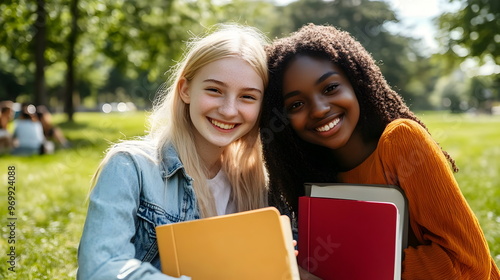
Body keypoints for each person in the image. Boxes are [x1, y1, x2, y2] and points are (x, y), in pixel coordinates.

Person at [260, 23, 500, 279]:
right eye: (296, 104)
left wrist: (357, 262)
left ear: (356, 83)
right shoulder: (311, 172)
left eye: (330, 88)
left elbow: (468, 264)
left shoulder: (400, 140)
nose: (319, 109)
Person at [77, 23, 270, 280]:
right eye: (214, 90)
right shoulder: (130, 167)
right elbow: (100, 271)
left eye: (248, 97)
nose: (228, 110)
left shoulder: (258, 183)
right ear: (186, 90)